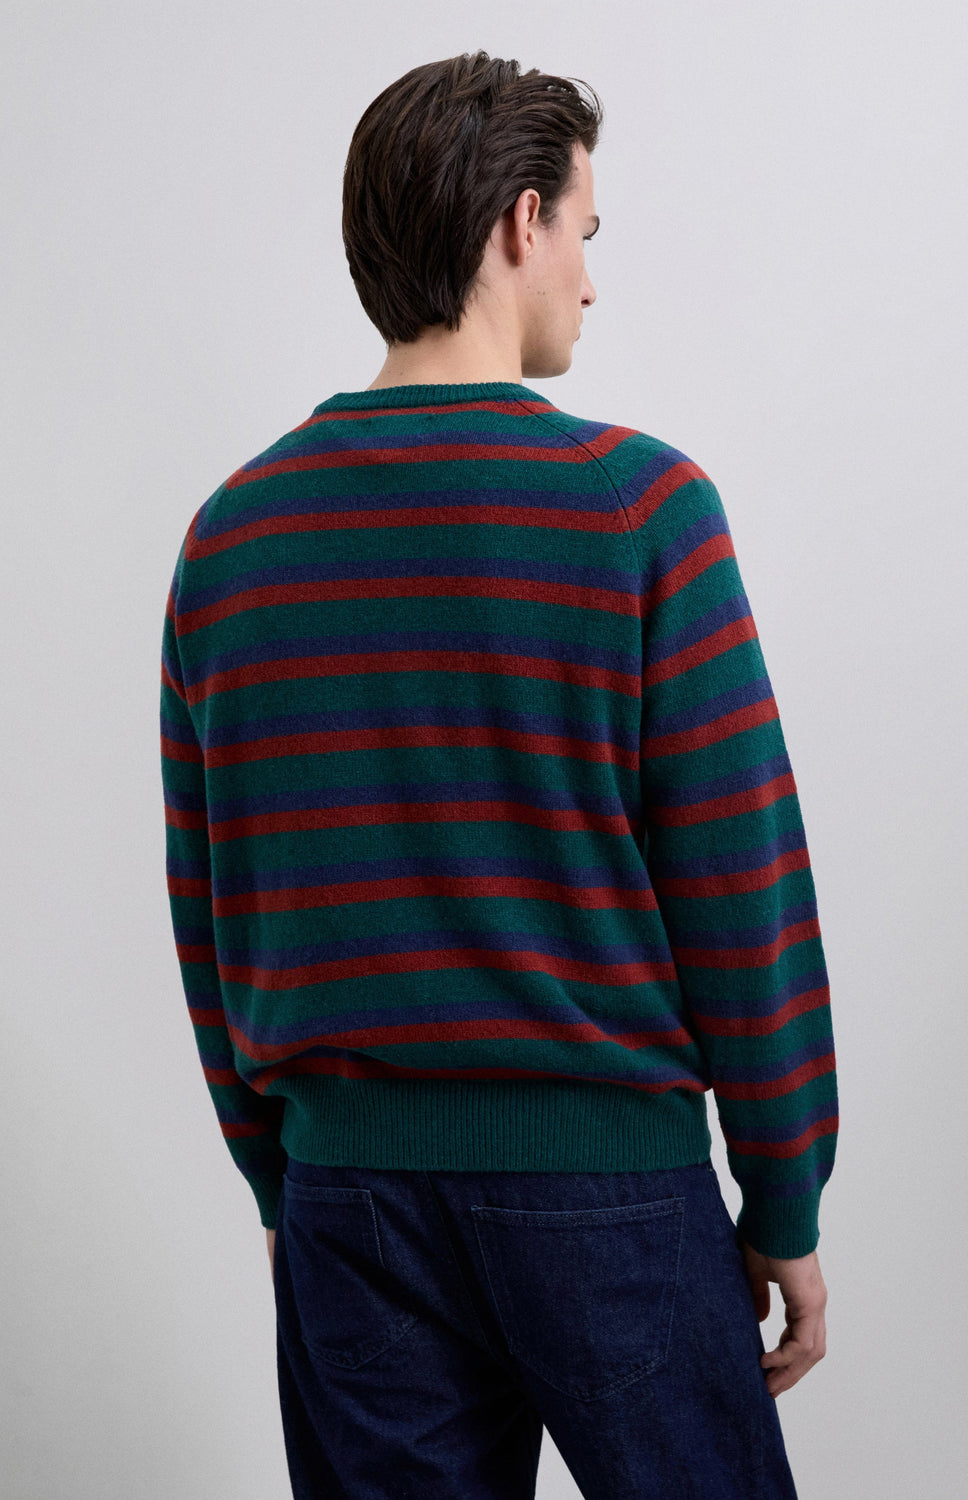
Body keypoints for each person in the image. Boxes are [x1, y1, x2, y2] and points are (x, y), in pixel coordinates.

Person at [160, 49, 837, 1498]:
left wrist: (283, 1178)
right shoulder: (642, 508)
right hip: (610, 1190)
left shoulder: (231, 539)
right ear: (520, 222)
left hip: (349, 1203)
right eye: (586, 232)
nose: (592, 280)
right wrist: (785, 1193)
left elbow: (208, 908)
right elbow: (742, 885)